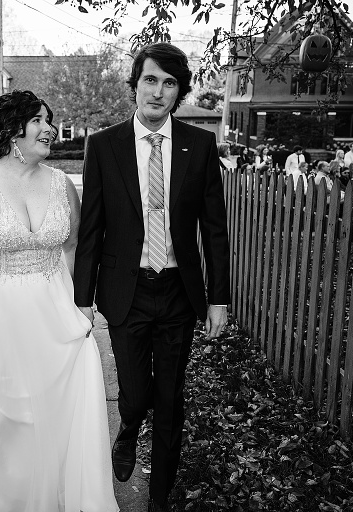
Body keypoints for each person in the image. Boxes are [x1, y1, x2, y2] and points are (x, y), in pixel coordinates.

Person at [0, 90, 119, 512]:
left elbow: (72, 247)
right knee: (0, 416)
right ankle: (7, 497)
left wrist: (80, 306)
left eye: (49, 119)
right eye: (38, 120)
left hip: (54, 313)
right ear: (13, 130)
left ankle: (53, 494)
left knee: (57, 412)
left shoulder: (62, 184)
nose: (48, 128)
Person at [73, 43, 230, 512]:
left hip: (180, 293)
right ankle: (127, 428)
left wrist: (217, 298)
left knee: (170, 399)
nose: (158, 92)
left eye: (169, 83)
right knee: (137, 394)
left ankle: (159, 494)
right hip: (127, 291)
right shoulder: (104, 146)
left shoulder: (199, 145)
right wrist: (82, 297)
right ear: (135, 85)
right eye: (150, 80)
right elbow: (92, 228)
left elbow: (214, 228)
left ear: (178, 92)